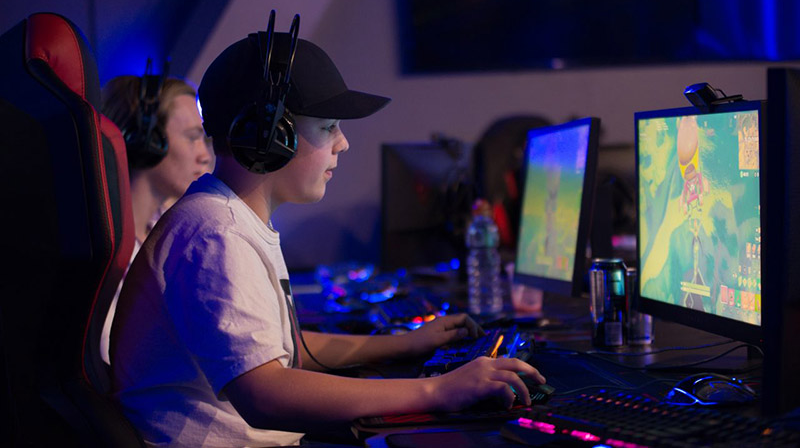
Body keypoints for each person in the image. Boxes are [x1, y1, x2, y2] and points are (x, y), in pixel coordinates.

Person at [110, 30, 545, 447]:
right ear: (270, 136)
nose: (343, 143)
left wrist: (406, 344)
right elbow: (266, 394)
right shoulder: (216, 234)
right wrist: (437, 391)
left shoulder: (228, 218)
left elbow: (283, 350)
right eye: (328, 126)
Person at [100, 74, 213, 363]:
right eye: (192, 138)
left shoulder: (171, 230)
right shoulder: (107, 251)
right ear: (147, 142)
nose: (204, 155)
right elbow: (111, 359)